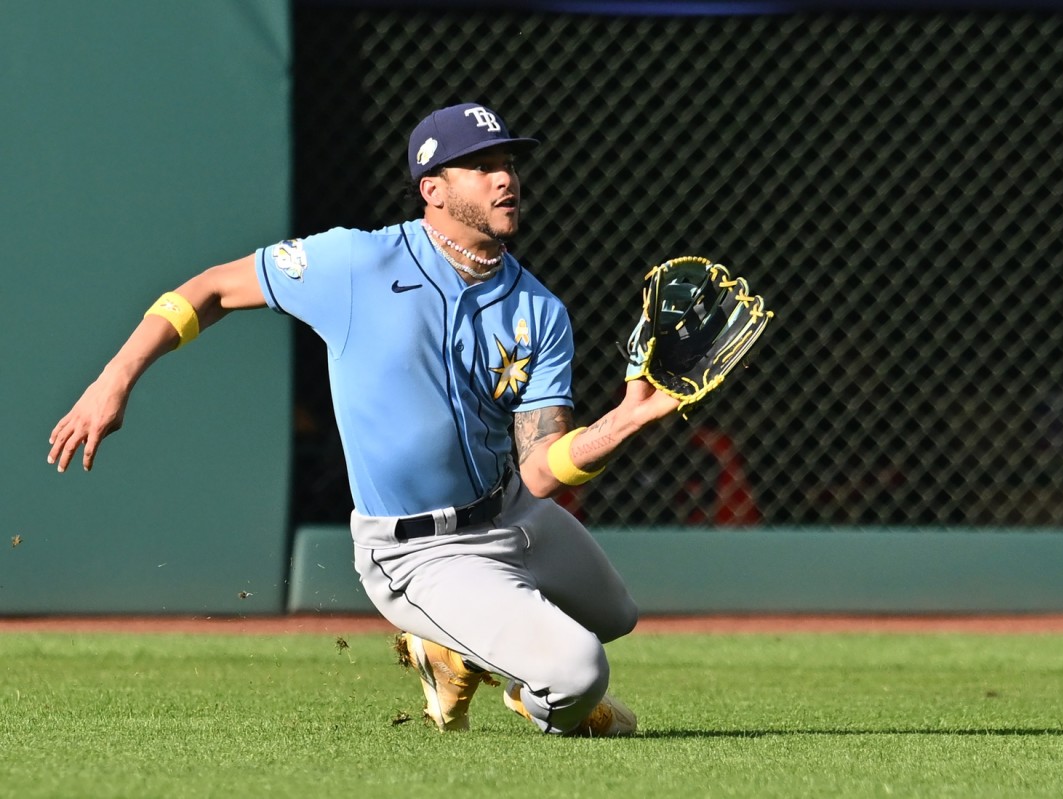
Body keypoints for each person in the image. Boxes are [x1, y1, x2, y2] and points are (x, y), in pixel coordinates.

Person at [47, 102, 681, 736]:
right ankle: (532, 692)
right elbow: (212, 287)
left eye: (509, 164)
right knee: (576, 674)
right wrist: (114, 379)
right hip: (418, 549)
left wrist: (627, 418)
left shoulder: (539, 309)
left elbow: (542, 472)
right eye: (481, 166)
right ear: (432, 189)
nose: (505, 179)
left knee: (616, 615)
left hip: (512, 509)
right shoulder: (356, 264)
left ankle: (451, 650)